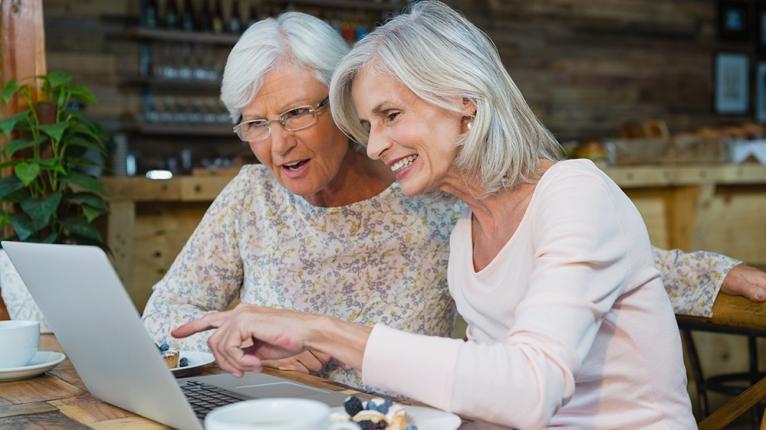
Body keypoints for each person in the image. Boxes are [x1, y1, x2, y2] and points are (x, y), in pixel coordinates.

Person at [136, 9, 765, 387]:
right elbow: (164, 317)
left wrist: (718, 273)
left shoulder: (432, 198)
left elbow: (580, 255)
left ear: (339, 108)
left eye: (297, 114)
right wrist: (249, 354)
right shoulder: (252, 198)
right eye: (254, 124)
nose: (277, 144)